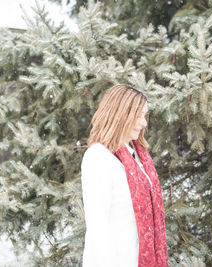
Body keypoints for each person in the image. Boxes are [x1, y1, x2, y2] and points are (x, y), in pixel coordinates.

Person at [81, 84, 168, 267]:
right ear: (121, 115)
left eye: (144, 115)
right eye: (138, 116)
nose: (144, 123)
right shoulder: (99, 157)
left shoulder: (139, 159)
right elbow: (98, 228)